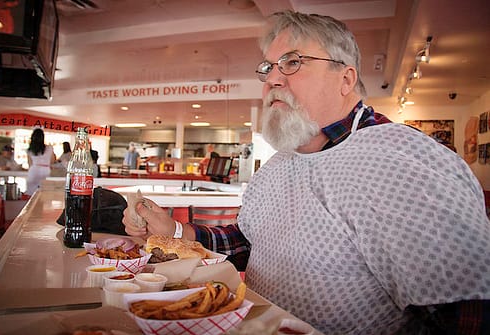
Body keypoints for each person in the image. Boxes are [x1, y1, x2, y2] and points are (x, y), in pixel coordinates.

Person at [122, 11, 490, 334]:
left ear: (346, 79)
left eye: (293, 62)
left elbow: (465, 312)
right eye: (268, 68)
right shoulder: (281, 162)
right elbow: (251, 244)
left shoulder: (402, 162)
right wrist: (173, 230)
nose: (272, 80)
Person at [26, 128, 56, 195]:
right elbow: (52, 161)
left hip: (33, 170)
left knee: (31, 194)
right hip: (46, 170)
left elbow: (30, 163)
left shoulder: (29, 150)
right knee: (43, 193)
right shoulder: (49, 148)